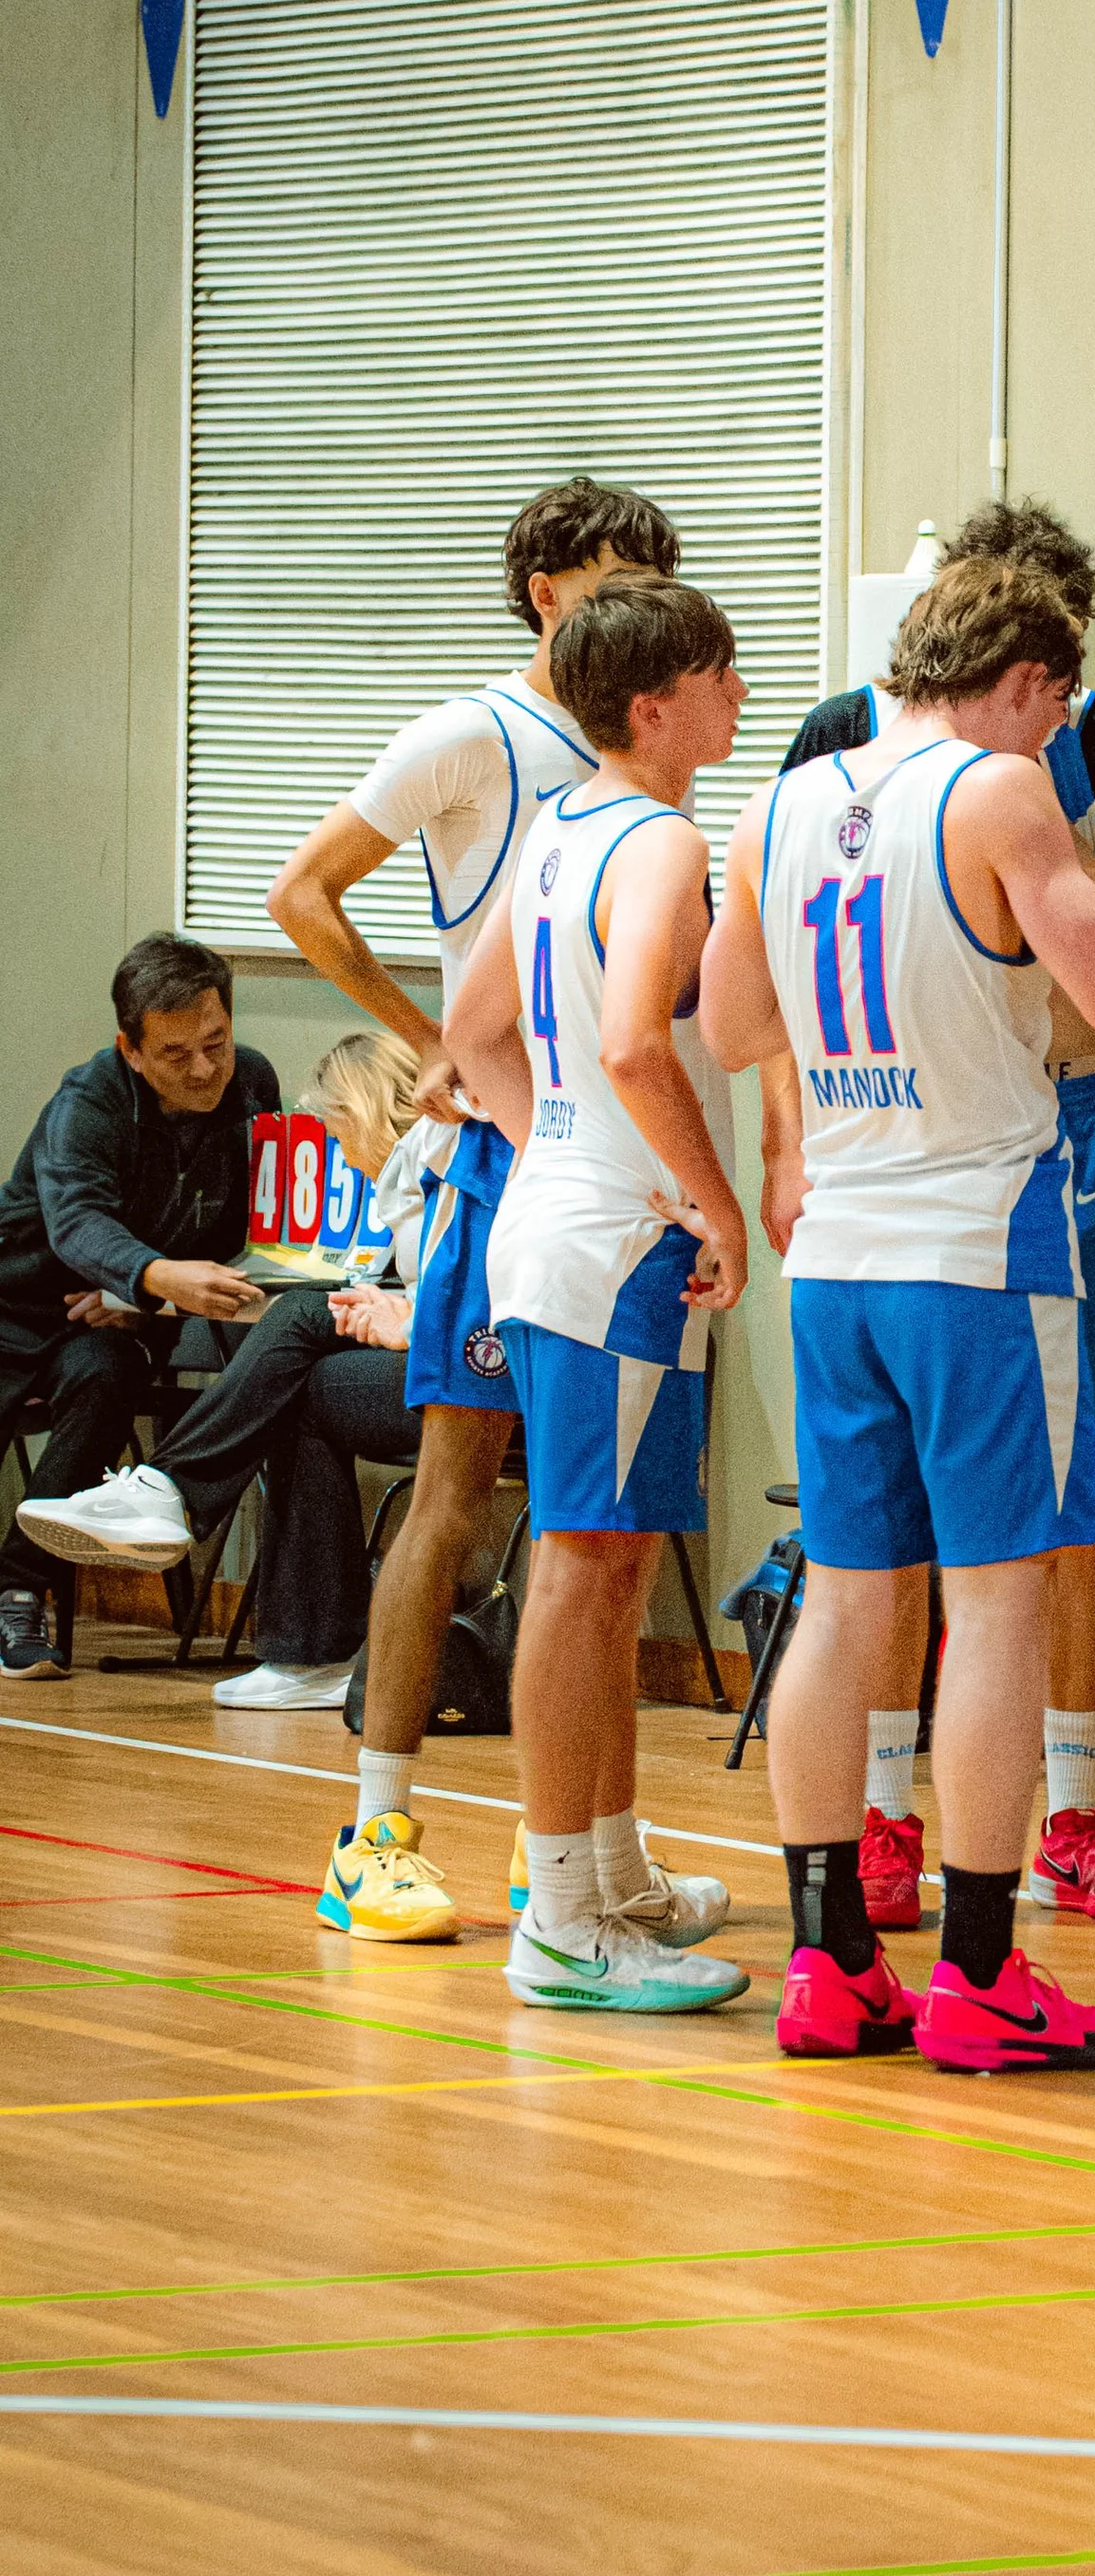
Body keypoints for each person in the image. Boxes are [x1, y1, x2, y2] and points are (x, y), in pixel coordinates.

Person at [703, 555, 1095, 2072]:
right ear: (1031, 683)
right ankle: (978, 1969)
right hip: (980, 1244)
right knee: (1001, 1602)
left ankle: (829, 1960)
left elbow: (727, 1024)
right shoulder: (999, 792)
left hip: (837, 1245)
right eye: (1057, 708)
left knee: (844, 1604)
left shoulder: (784, 800)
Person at [268, 475, 716, 1943]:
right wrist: (425, 1053)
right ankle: (373, 1823)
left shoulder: (636, 778)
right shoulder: (470, 735)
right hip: (517, 1161)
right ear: (544, 591)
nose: (639, 595)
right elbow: (303, 893)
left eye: (658, 571)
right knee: (461, 1491)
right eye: (612, 574)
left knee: (606, 1526)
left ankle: (586, 1845)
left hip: (600, 1152)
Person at [448, 572, 751, 2016]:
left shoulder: (560, 825)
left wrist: (548, 1150)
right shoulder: (663, 840)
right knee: (579, 1570)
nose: (741, 697)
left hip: (564, 1218)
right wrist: (708, 1194)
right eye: (721, 675)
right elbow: (635, 1043)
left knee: (613, 1562)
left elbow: (472, 1030)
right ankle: (560, 1914)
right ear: (656, 705)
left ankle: (613, 1872)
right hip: (616, 1241)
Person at [13, 1032, 429, 1714]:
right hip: (435, 1347)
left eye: (333, 1126)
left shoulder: (446, 1170)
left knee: (297, 1322)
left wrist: (409, 1318)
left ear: (362, 1110)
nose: (334, 1149)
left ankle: (170, 1493)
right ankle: (310, 1650)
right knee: (300, 1378)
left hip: (493, 1370)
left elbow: (493, 1296)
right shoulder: (407, 1176)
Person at [0, 935, 279, 1680]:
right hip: (17, 1298)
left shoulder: (252, 1083)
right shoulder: (86, 1102)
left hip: (108, 1318)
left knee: (108, 1376)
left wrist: (140, 1295)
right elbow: (78, 1223)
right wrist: (152, 1277)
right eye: (176, 1052)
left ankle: (18, 1585)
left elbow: (260, 1222)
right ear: (130, 1048)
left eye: (216, 1042)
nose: (204, 1069)